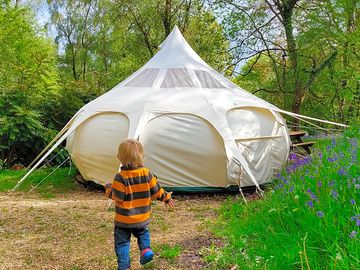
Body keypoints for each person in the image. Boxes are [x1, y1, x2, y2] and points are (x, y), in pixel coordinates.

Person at [105, 139, 174, 270]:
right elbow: (157, 191)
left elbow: (116, 197)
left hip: (123, 221)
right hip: (141, 219)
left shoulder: (120, 177)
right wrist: (166, 197)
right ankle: (146, 250)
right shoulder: (147, 174)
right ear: (141, 156)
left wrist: (108, 187)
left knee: (122, 243)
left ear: (120, 158)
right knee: (143, 234)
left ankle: (124, 266)